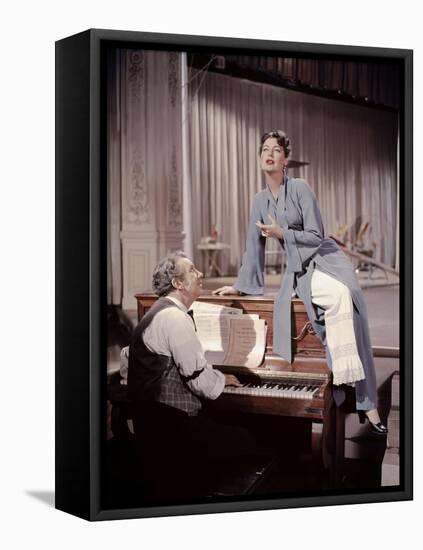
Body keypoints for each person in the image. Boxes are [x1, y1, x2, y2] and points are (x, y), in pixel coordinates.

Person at [213, 130, 387, 435]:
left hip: (325, 258)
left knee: (347, 295)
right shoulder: (259, 201)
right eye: (264, 149)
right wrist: (242, 286)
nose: (269, 154)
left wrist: (283, 233)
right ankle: (348, 389)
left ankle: (361, 396)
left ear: (285, 160)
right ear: (259, 158)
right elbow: (253, 248)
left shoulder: (301, 188)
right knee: (334, 299)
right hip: (300, 269)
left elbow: (317, 236)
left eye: (276, 150)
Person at [127, 251, 256, 487]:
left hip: (153, 422)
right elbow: (196, 378)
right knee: (249, 439)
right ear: (178, 283)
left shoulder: (157, 312)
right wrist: (222, 379)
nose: (201, 274)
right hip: (170, 428)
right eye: (193, 270)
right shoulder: (175, 318)